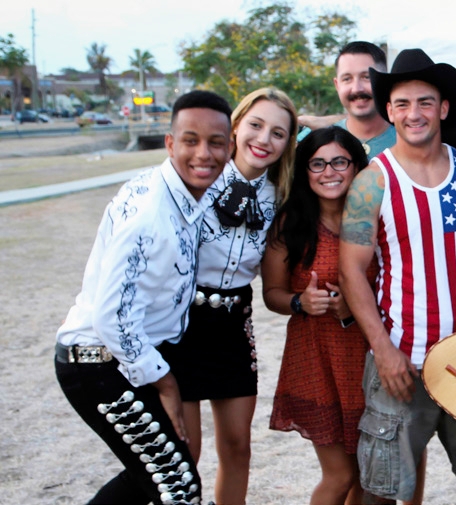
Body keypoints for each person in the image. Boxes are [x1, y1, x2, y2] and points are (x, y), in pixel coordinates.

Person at [55, 90, 232, 505]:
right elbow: (112, 317)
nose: (204, 153)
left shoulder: (179, 193)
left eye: (216, 142)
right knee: (177, 487)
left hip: (120, 361)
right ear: (170, 143)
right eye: (190, 140)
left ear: (230, 146)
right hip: (97, 364)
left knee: (148, 479)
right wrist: (165, 381)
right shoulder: (151, 215)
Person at [338, 49, 456, 504]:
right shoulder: (374, 181)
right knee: (383, 491)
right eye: (403, 104)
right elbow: (351, 271)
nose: (414, 114)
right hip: (401, 362)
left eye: (425, 102)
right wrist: (383, 350)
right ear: (389, 111)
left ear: (443, 108)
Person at [156, 87, 296, 505]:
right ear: (234, 128)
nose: (264, 139)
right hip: (180, 324)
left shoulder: (282, 197)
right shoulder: (197, 176)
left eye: (278, 132)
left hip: (234, 325)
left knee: (237, 447)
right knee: (185, 453)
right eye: (255, 125)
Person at [263, 127, 370, 505]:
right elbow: (271, 294)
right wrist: (299, 303)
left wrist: (356, 305)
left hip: (368, 358)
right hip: (317, 359)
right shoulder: (292, 223)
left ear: (357, 166)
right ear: (305, 171)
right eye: (318, 163)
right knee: (340, 475)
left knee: (369, 476)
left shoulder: (377, 218)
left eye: (340, 161)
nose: (330, 172)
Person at [298, 41, 396, 157]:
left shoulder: (409, 139)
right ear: (337, 85)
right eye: (347, 79)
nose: (356, 89)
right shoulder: (319, 143)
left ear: (385, 81)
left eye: (366, 77)